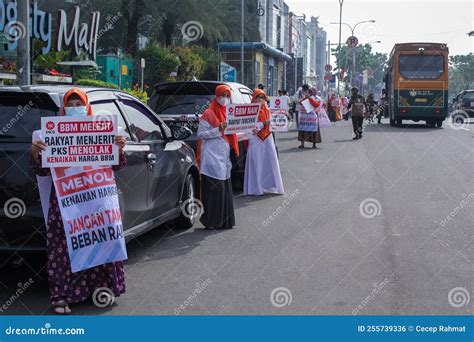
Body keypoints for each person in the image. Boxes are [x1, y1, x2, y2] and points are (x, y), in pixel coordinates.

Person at [30, 88, 127, 315]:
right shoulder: (51, 136)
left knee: (101, 240)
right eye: (70, 105)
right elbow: (43, 170)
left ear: (86, 106)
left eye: (79, 103)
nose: (75, 108)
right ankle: (61, 297)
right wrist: (35, 153)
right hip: (65, 202)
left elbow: (117, 166)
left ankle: (100, 289)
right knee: (62, 249)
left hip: (97, 200)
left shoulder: (103, 132)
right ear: (64, 109)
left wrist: (118, 148)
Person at [196, 85, 237, 229]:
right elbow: (200, 134)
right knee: (214, 190)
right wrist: (218, 129)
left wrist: (251, 131)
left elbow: (234, 135)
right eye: (222, 95)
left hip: (224, 158)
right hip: (211, 158)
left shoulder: (228, 114)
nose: (224, 98)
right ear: (216, 96)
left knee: (224, 189)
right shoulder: (208, 113)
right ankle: (211, 221)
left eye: (227, 95)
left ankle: (225, 221)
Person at [243, 89, 284, 196]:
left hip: (268, 136)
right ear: (254, 98)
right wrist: (262, 123)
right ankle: (255, 188)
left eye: (262, 97)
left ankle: (271, 186)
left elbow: (277, 122)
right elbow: (248, 127)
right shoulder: (249, 111)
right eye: (258, 97)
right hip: (255, 138)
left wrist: (281, 117)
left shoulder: (268, 109)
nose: (260, 100)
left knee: (270, 160)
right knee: (256, 160)